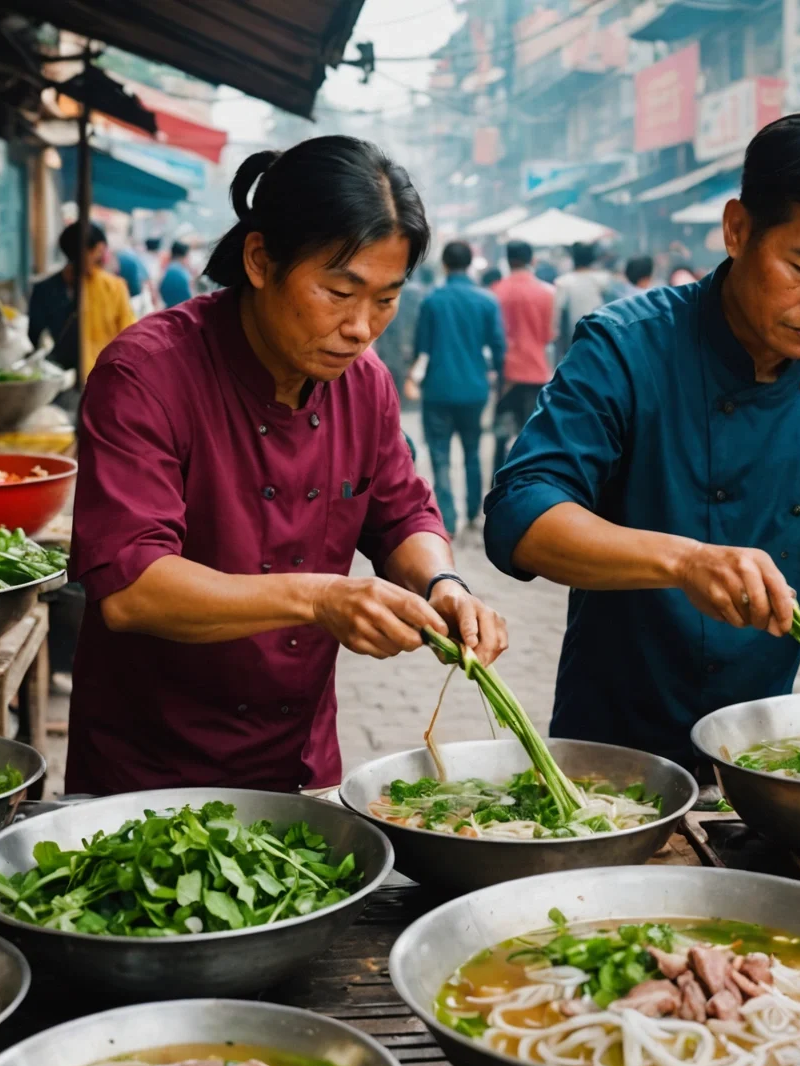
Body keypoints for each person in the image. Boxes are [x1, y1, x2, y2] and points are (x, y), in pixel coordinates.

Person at [485, 111, 800, 770]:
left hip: (771, 746)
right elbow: (521, 512)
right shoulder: (627, 349)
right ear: (737, 230)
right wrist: (683, 562)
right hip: (613, 751)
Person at [66, 136, 505, 795]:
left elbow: (402, 511)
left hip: (299, 764)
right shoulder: (146, 373)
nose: (361, 328)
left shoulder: (368, 384)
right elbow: (132, 590)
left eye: (385, 300)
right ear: (260, 260)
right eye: (339, 291)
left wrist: (444, 583)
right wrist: (321, 596)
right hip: (147, 773)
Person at [405, 240, 506, 537]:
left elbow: (422, 347)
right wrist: (498, 383)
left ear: (445, 265)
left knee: (440, 455)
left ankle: (447, 520)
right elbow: (498, 347)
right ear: (469, 264)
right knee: (473, 453)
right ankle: (474, 513)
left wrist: (415, 378)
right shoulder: (487, 301)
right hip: (474, 390)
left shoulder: (432, 300)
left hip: (437, 390)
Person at [27, 220, 135, 384]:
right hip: (59, 380)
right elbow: (35, 338)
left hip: (99, 379)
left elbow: (128, 336)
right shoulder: (45, 289)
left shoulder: (114, 287)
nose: (102, 256)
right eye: (99, 250)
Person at [491, 240, 555, 483]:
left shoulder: (496, 291)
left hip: (507, 375)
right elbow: (550, 335)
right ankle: (531, 487)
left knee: (501, 436)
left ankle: (497, 487)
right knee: (533, 439)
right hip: (537, 372)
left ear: (508, 260)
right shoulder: (547, 292)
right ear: (531, 260)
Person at [371, 264, 429, 400]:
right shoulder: (420, 292)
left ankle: (393, 397)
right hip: (408, 337)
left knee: (391, 369)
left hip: (390, 336)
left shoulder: (388, 289)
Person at [552, 242, 611, 357]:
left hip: (573, 341)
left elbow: (557, 317)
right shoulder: (603, 280)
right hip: (600, 338)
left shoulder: (563, 282)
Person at [159, 240, 195, 308]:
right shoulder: (182, 272)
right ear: (184, 256)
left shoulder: (168, 269)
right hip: (183, 308)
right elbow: (189, 293)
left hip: (169, 308)